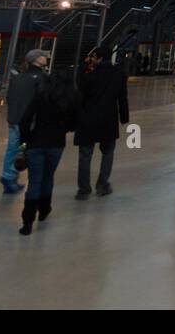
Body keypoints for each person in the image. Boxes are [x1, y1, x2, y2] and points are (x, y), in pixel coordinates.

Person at [17, 68, 78, 234]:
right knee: (48, 176)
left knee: (34, 180)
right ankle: (44, 208)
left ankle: (27, 220)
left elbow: (25, 119)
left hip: (36, 141)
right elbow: (73, 124)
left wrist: (24, 139)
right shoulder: (70, 99)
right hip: (56, 143)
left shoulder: (40, 96)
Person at [74, 47, 130, 198]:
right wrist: (124, 117)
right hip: (108, 118)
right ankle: (102, 185)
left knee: (85, 154)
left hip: (87, 118)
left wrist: (83, 66)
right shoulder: (119, 75)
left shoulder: (89, 74)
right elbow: (122, 98)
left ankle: (84, 189)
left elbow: (80, 92)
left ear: (97, 58)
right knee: (108, 152)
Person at [0, 49, 47, 193]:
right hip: (31, 120)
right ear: (36, 59)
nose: (45, 57)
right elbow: (43, 100)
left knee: (13, 148)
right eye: (43, 55)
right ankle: (34, 182)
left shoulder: (18, 77)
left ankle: (8, 175)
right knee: (32, 150)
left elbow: (9, 97)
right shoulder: (42, 78)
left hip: (14, 118)